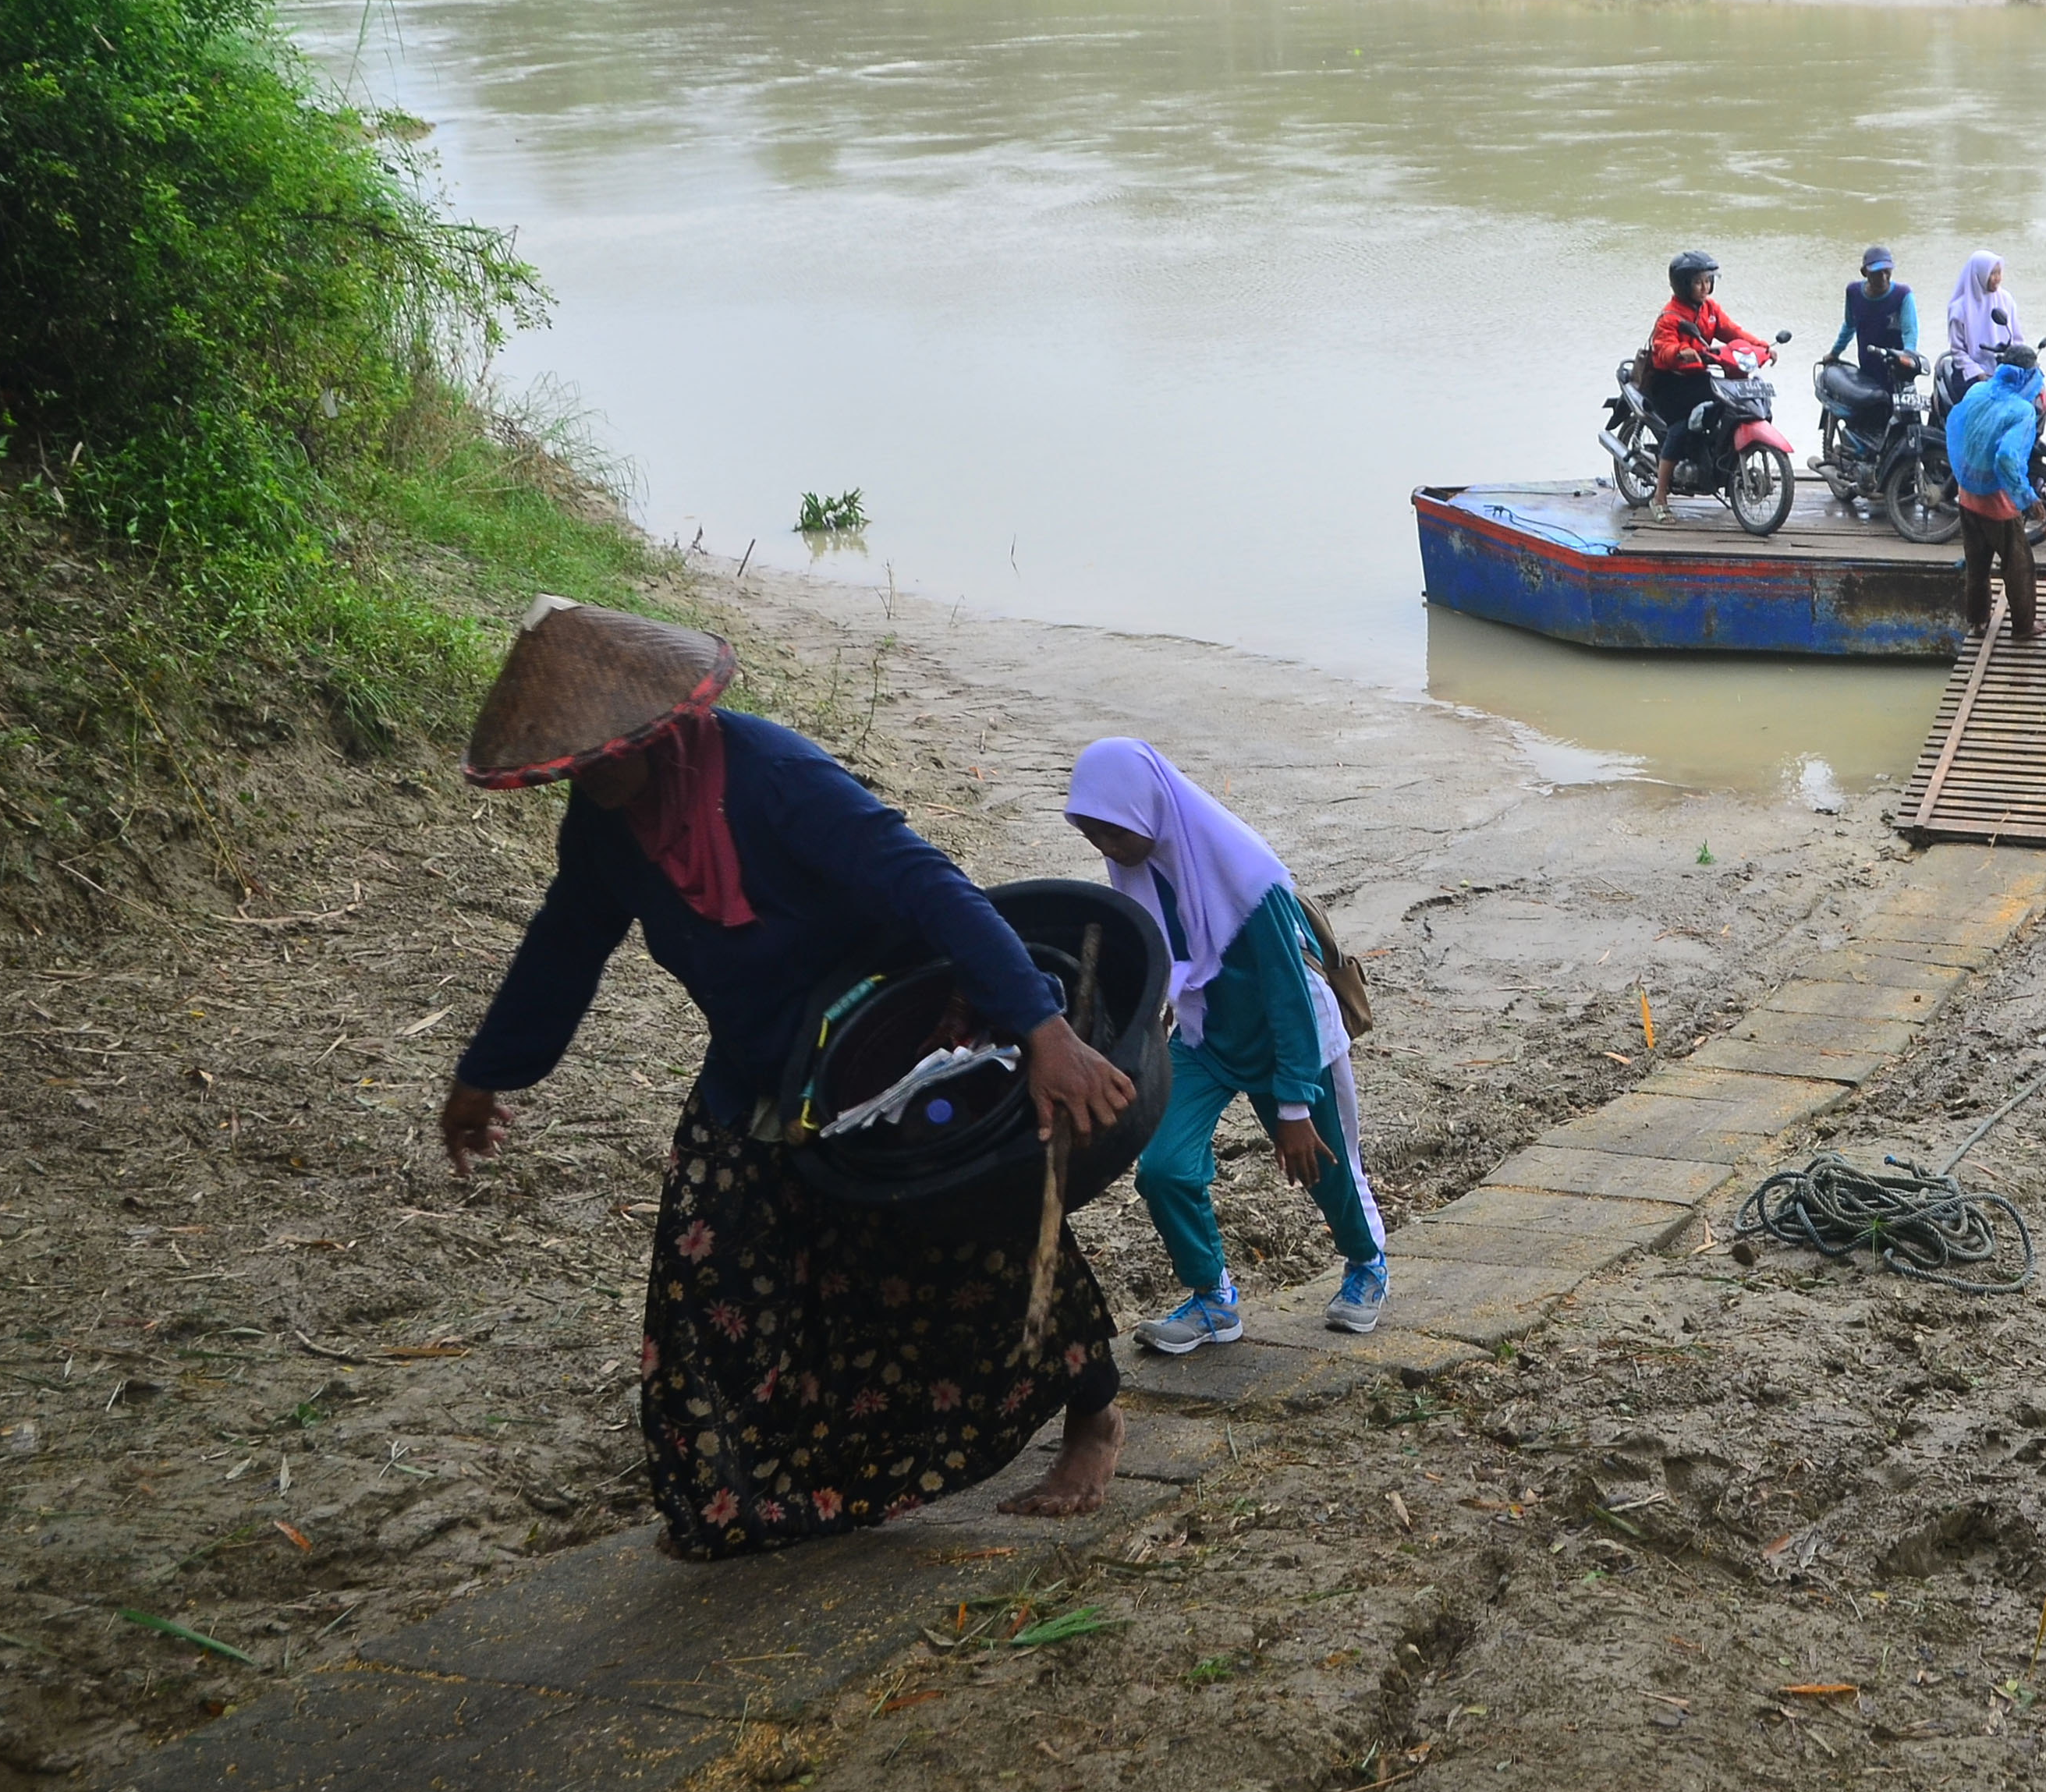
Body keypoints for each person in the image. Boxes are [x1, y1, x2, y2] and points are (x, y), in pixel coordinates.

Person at [442, 600, 1139, 1556]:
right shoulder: (604, 827)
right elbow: (565, 944)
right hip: (760, 1063)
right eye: (573, 766)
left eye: (602, 755)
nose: (589, 777)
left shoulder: (774, 774)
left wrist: (1041, 1028)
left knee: (967, 1239)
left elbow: (929, 886)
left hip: (885, 1042)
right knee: (712, 1271)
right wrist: (486, 1074)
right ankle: (752, 1495)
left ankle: (1093, 1410)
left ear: (655, 726)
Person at [1062, 740, 1385, 1351]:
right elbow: (1160, 956)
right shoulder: (1141, 867)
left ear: (1150, 810)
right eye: (1093, 836)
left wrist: (1293, 1106)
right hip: (1206, 1036)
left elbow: (1289, 997)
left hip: (1293, 1043)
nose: (1107, 848)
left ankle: (1366, 1264)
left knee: (1327, 1170)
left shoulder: (1251, 882)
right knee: (1164, 1168)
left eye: (1113, 832)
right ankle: (1213, 1298)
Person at [1946, 345, 2046, 644]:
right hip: (1996, 502)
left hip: (1967, 493)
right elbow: (2007, 458)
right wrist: (2027, 497)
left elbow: (1963, 430)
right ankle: (2024, 626)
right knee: (2019, 564)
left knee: (1977, 564)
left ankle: (1978, 621)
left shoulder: (1978, 390)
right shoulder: (2022, 411)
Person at [1644, 248, 1770, 488]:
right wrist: (1680, 351)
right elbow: (1664, 347)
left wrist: (1761, 346)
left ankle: (1715, 459)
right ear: (1683, 285)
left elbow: (1732, 332)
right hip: (1670, 382)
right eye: (1698, 282)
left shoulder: (1710, 309)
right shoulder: (1669, 316)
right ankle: (1660, 495)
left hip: (1699, 377)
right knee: (1681, 427)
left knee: (1731, 405)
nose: (1705, 287)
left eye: (1708, 281)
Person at [1826, 246, 1921, 385]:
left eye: (1887, 271)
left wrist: (1908, 356)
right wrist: (1834, 353)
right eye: (1876, 273)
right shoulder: (1853, 292)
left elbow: (1910, 332)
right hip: (1868, 368)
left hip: (1898, 369)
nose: (1883, 277)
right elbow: (1849, 326)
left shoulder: (1902, 295)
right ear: (1864, 273)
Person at [1941, 250, 2023, 395]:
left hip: (2003, 370)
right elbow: (1958, 351)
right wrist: (1978, 373)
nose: (1997, 278)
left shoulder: (2006, 300)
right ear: (1979, 275)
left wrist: (2020, 360)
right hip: (1971, 375)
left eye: (1999, 273)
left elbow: (2017, 339)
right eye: (1992, 274)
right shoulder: (1959, 309)